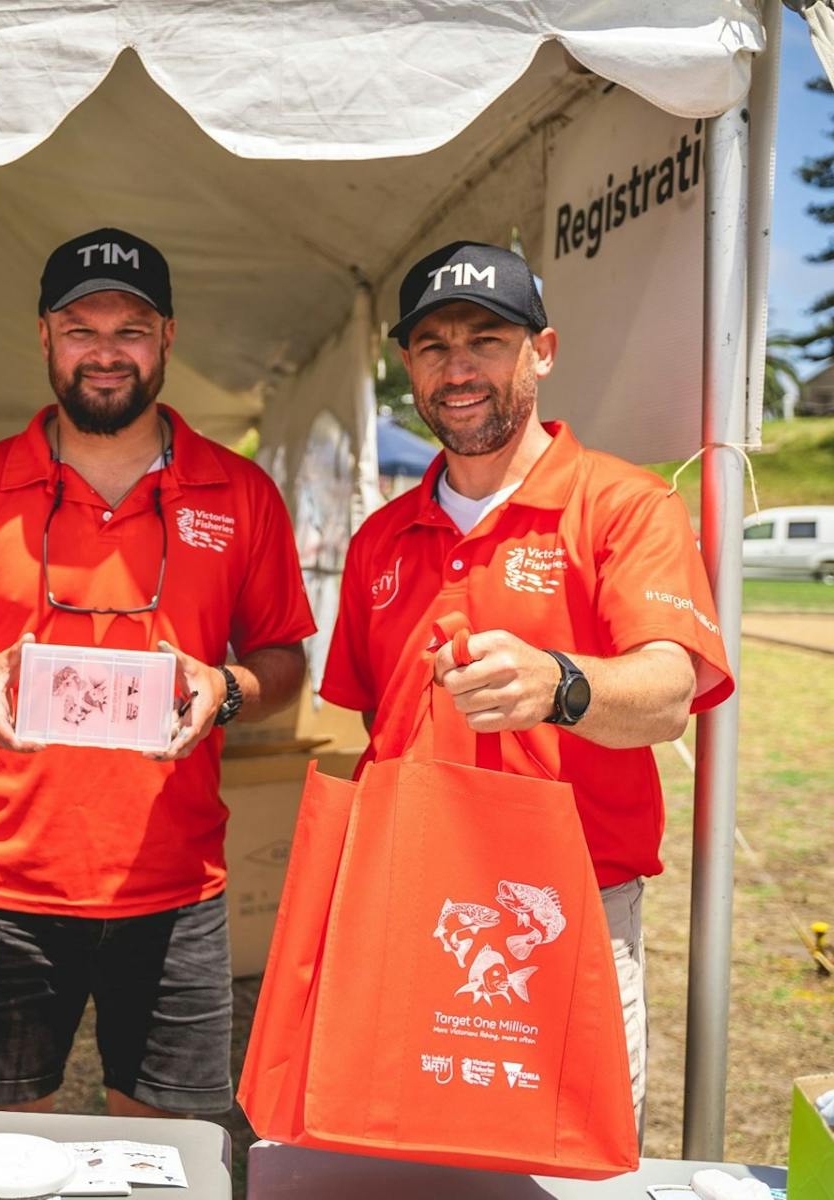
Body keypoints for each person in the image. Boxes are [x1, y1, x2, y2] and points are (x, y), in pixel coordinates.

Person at [0, 227, 314, 1117]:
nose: (106, 352)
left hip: (177, 887)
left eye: (131, 328)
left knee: (166, 1155)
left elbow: (286, 662)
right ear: (44, 337)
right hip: (6, 885)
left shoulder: (240, 494)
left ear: (168, 339)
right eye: (82, 328)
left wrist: (226, 687)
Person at [320, 240, 734, 1137]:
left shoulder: (625, 505)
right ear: (407, 367)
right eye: (433, 346)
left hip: (569, 905)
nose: (458, 368)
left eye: (487, 341)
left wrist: (561, 684)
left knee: (561, 1165)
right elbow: (371, 715)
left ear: (542, 351)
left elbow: (669, 692)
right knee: (411, 1158)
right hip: (417, 904)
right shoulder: (380, 540)